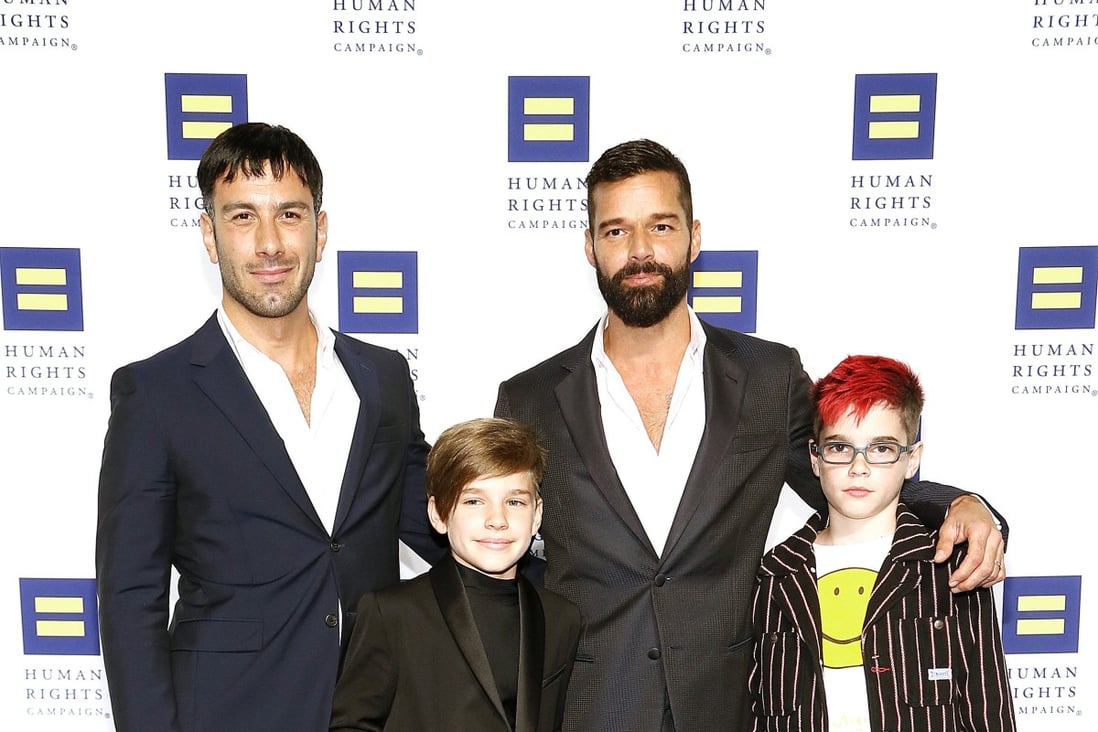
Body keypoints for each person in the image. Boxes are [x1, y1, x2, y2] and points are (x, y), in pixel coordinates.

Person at [493, 139, 1008, 731]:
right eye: (616, 231)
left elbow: (845, 472)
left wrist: (960, 504)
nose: (640, 250)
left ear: (694, 237)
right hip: (587, 709)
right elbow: (487, 537)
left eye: (661, 226)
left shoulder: (767, 377)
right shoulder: (529, 399)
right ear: (589, 245)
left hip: (730, 705)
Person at [95, 122, 445, 732]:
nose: (269, 244)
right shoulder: (154, 394)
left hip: (373, 712)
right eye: (242, 217)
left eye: (289, 214)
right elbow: (130, 602)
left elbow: (440, 526)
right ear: (209, 235)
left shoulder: (383, 377)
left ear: (320, 230)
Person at [749, 355, 1016, 731]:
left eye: (881, 449)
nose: (858, 467)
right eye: (839, 448)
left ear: (912, 459)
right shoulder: (773, 576)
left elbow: (988, 705)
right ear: (814, 458)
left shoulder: (948, 567)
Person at [330, 417, 583, 732]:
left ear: (536, 515)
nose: (497, 519)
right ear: (438, 514)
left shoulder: (561, 618)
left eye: (514, 501)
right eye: (474, 501)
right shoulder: (392, 614)